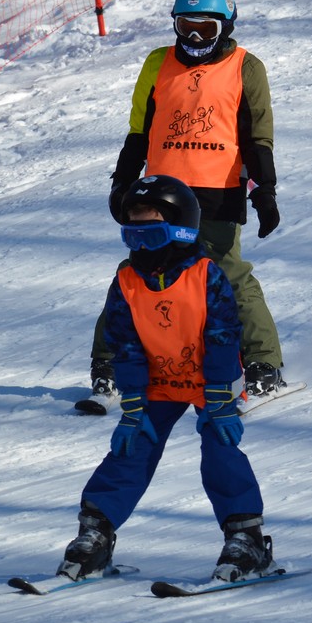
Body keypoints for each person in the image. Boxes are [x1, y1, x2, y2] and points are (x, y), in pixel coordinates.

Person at [79, 0, 286, 414]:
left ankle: (263, 367)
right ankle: (112, 368)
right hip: (160, 194)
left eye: (205, 29)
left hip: (217, 192)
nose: (194, 38)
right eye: (186, 27)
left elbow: (258, 137)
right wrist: (123, 181)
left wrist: (264, 190)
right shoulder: (158, 63)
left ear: (226, 26)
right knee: (137, 275)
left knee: (227, 276)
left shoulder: (247, 68)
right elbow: (139, 129)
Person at [58, 174, 275, 585]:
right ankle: (96, 534)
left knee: (220, 450)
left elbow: (223, 335)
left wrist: (220, 396)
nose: (141, 248)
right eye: (132, 236)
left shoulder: (206, 275)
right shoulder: (127, 281)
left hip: (210, 382)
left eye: (151, 236)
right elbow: (125, 343)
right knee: (132, 448)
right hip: (158, 381)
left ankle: (246, 540)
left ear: (180, 231)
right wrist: (133, 401)